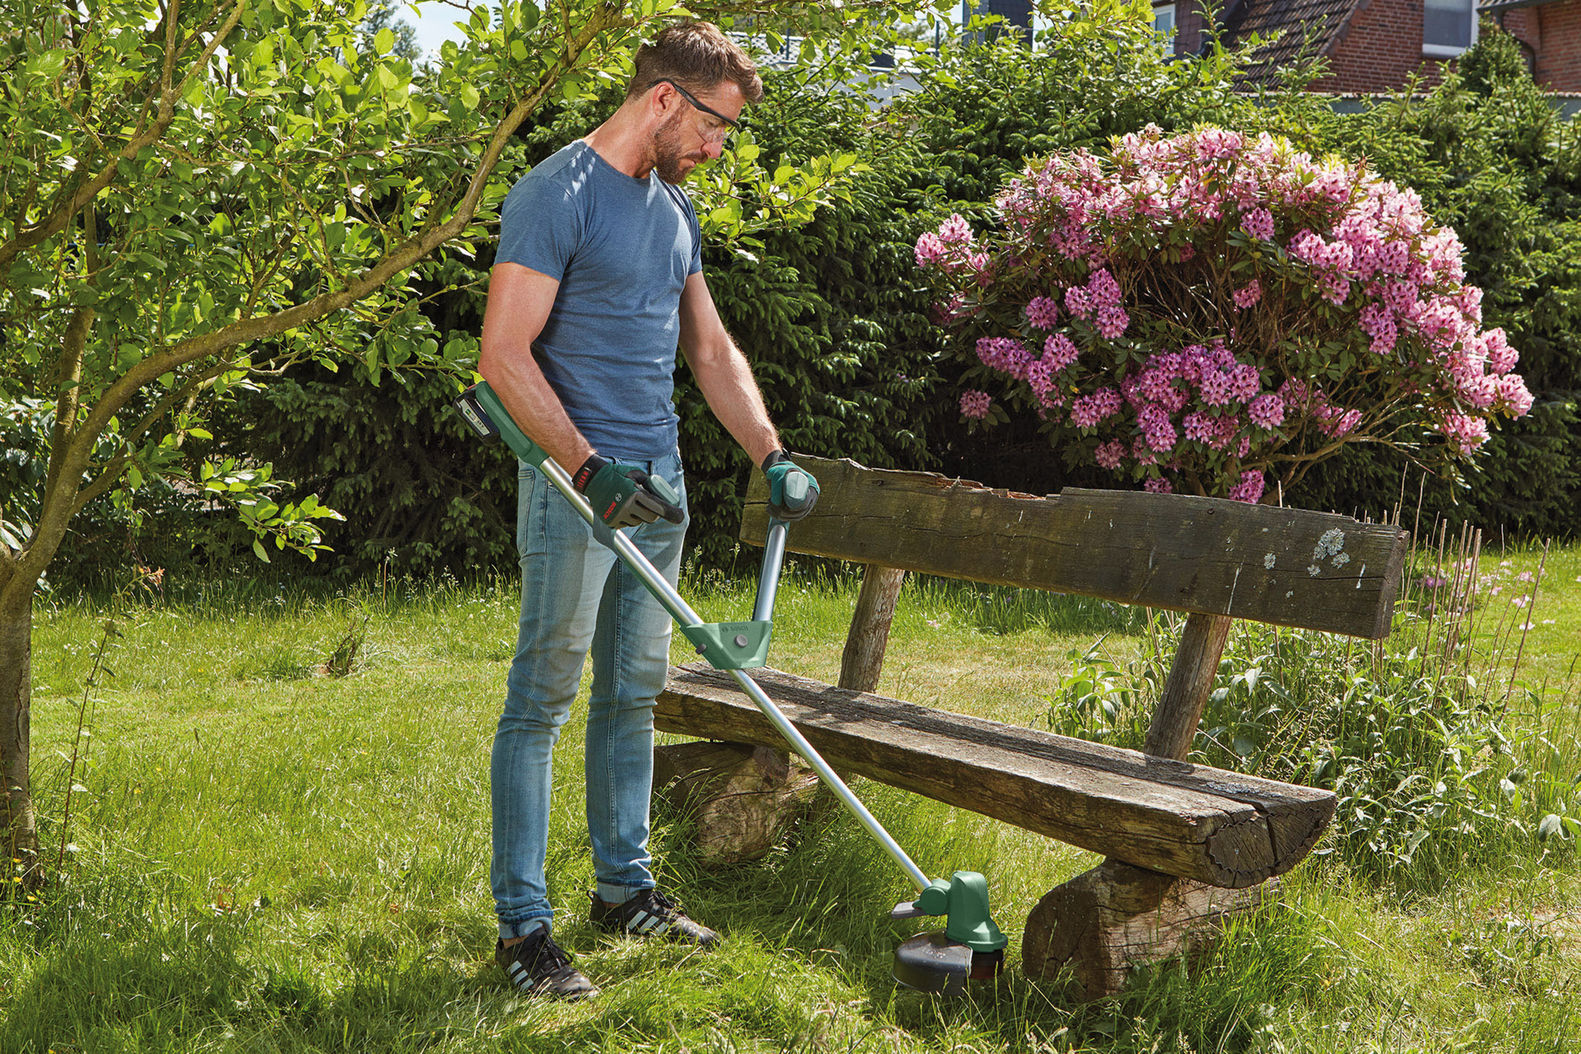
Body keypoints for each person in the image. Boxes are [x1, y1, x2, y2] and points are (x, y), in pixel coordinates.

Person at [476, 21, 819, 1001]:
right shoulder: (556, 194)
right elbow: (503, 353)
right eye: (715, 126)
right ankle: (523, 930)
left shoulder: (673, 209)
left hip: (659, 483)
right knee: (541, 698)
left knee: (634, 692)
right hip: (575, 487)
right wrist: (586, 468)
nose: (720, 149)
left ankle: (624, 890)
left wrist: (772, 452)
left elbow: (709, 351)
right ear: (666, 99)